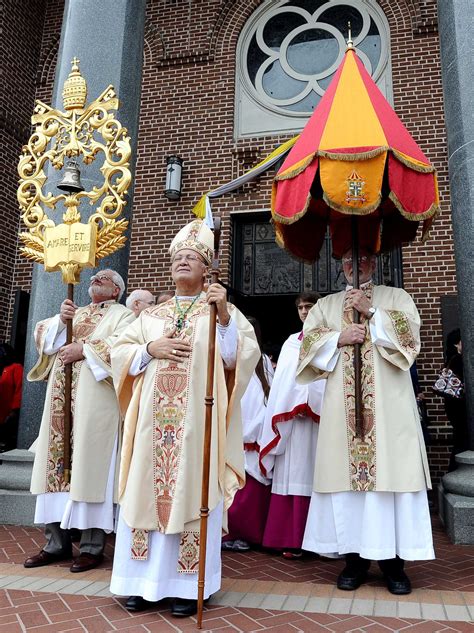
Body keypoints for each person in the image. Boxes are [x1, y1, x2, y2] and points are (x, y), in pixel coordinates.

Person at [110, 220, 259, 617]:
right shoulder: (150, 316)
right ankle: (139, 583)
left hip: (197, 427)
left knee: (193, 496)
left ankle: (187, 585)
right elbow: (118, 354)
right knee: (146, 490)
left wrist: (224, 315)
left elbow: (237, 359)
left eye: (191, 257)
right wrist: (149, 348)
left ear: (207, 267)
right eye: (178, 257)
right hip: (151, 428)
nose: (182, 262)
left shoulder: (221, 312)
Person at [296, 248, 434, 595]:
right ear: (340, 267)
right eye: (347, 262)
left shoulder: (397, 298)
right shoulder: (325, 306)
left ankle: (394, 566)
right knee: (348, 492)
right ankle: (354, 562)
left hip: (388, 415)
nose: (354, 267)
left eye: (362, 261)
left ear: (375, 263)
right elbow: (308, 345)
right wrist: (337, 338)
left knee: (389, 485)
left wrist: (371, 312)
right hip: (343, 417)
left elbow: (410, 340)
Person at [24, 270, 136, 573]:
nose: (97, 278)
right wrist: (62, 320)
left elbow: (125, 348)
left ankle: (91, 547)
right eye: (95, 276)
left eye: (106, 277)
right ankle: (55, 544)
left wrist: (84, 349)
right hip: (61, 403)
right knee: (54, 466)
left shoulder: (123, 315)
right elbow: (45, 341)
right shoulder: (73, 309)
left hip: (95, 405)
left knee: (92, 470)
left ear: (116, 291)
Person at [259, 292, 325, 559]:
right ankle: (288, 537)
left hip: (319, 422)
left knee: (317, 475)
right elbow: (283, 382)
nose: (304, 311)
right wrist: (293, 402)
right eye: (300, 307)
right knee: (291, 476)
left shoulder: (331, 338)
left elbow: (326, 376)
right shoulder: (289, 343)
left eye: (309, 306)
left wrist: (311, 401)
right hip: (290, 424)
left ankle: (318, 540)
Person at [222, 317, 274, 552]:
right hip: (234, 429)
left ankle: (248, 534)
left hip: (254, 431)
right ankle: (228, 532)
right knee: (231, 487)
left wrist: (257, 427)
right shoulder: (228, 361)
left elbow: (268, 396)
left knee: (251, 490)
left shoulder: (262, 361)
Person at [442, 329, 467, 471]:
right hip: (459, 409)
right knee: (461, 443)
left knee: (460, 442)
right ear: (456, 345)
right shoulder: (457, 360)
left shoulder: (452, 360)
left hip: (455, 408)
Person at [0, 343, 23, 452]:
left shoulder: (16, 367)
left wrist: (15, 409)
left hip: (8, 410)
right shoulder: (3, 368)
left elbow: (20, 388)